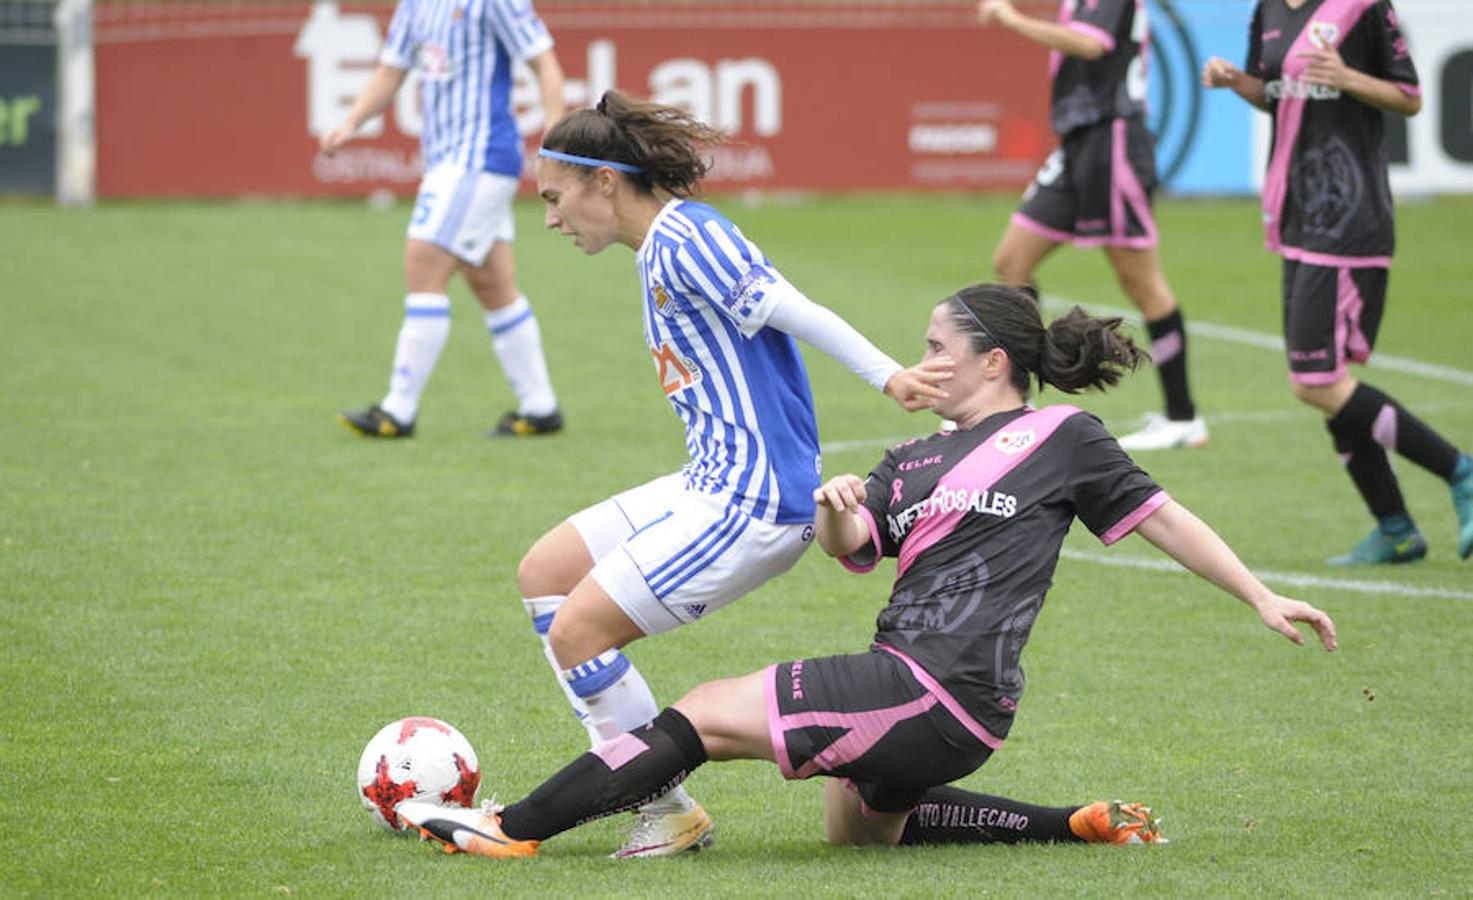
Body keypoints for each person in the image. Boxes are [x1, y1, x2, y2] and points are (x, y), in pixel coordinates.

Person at [395, 283, 1338, 858]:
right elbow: (854, 552)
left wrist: (1258, 593)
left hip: (936, 687)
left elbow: (1162, 517)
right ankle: (1077, 823)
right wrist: (840, 510)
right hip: (934, 701)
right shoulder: (912, 458)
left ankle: (512, 827)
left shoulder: (1062, 436)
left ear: (994, 361)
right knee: (858, 831)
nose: (922, 363)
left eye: (936, 348)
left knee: (706, 710)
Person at [508, 91, 953, 858]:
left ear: (603, 182)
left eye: (554, 197)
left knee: (578, 630)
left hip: (752, 500)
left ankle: (664, 807)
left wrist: (889, 377)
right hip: (710, 478)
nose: (549, 218)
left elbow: (794, 309)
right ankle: (663, 799)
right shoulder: (663, 246)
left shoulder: (684, 236)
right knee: (545, 571)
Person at [1202, 1, 1473, 564]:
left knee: (1316, 381)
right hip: (1297, 215)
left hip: (1349, 218)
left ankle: (1460, 471)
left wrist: (1348, 77)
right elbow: (1274, 96)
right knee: (1328, 383)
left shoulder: (1364, 7)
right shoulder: (1270, 9)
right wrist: (1236, 82)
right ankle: (1396, 528)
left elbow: (1411, 97)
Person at [324, 0, 567, 439]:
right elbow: (390, 69)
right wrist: (351, 122)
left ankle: (397, 411)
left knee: (423, 260)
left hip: (480, 157)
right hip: (446, 160)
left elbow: (544, 62)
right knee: (491, 284)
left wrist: (552, 136)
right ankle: (541, 407)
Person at [975, 0, 1207, 451]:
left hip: (1114, 141)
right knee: (1011, 260)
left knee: (1142, 283)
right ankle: (1017, 402)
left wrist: (1013, 18)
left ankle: (1184, 417)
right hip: (1078, 143)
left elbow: (1089, 44)